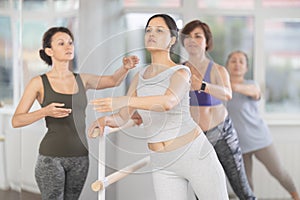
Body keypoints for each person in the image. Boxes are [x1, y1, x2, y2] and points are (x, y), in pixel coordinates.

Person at [88, 14, 228, 200]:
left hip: (194, 155)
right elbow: (123, 116)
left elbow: (167, 102)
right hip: (162, 163)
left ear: (172, 40)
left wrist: (126, 100)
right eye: (148, 30)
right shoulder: (139, 76)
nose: (151, 34)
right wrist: (106, 120)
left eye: (159, 30)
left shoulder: (181, 71)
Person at [11, 26, 138, 200]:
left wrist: (125, 68)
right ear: (49, 51)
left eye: (70, 43)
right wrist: (45, 111)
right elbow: (16, 120)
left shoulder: (82, 79)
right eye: (61, 43)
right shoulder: (38, 82)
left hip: (80, 157)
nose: (68, 46)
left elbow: (113, 81)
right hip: (50, 158)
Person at [180, 20, 256, 200]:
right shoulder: (180, 70)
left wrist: (203, 85)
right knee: (202, 191)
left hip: (222, 135)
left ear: (207, 42)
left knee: (241, 189)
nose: (192, 40)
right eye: (188, 36)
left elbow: (227, 93)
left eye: (198, 36)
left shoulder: (217, 69)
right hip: (197, 138)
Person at [226, 50, 300, 200]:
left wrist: (228, 85)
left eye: (241, 61)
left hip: (260, 139)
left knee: (279, 172)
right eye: (233, 61)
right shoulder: (221, 89)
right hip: (238, 143)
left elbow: (255, 92)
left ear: (246, 68)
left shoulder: (251, 85)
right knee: (245, 184)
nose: (237, 64)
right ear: (227, 65)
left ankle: (296, 196)